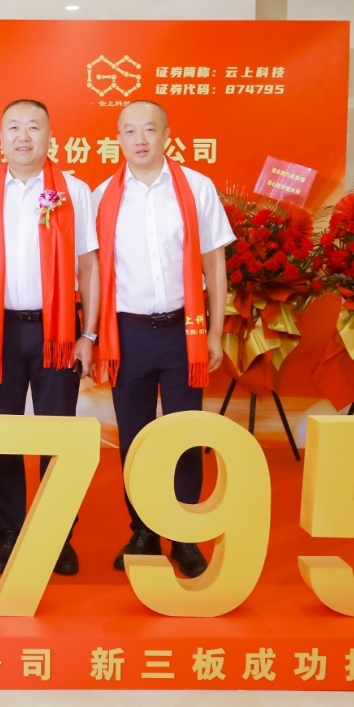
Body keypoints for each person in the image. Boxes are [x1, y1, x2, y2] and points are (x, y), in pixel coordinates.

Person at [91, 100, 234, 577]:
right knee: (135, 439)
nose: (140, 140)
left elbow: (214, 263)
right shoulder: (102, 196)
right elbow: (92, 273)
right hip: (126, 334)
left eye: (149, 130)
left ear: (167, 134)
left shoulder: (196, 187)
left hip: (182, 332)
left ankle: (185, 534)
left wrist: (215, 331)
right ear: (118, 139)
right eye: (130, 131)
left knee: (185, 435)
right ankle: (144, 530)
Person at [0, 99, 99, 577]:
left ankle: (57, 534)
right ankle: (8, 533)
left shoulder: (74, 191)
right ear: (0, 139)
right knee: (1, 434)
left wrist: (88, 333)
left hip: (58, 329)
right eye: (14, 127)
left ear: (50, 136)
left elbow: (89, 266)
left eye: (33, 127)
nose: (23, 136)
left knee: (58, 432)